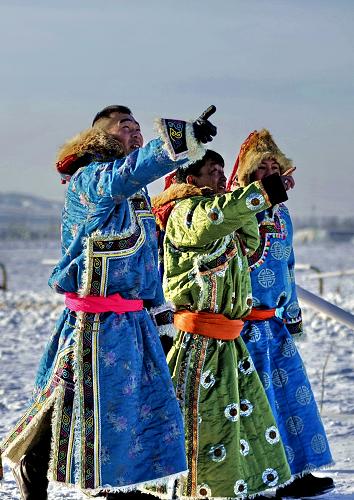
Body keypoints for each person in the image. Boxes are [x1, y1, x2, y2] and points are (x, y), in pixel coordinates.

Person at [0, 104, 217, 499]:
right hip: (95, 322)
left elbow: (145, 259)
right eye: (126, 127)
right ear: (101, 136)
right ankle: (41, 464)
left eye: (138, 128)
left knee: (132, 403)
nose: (136, 134)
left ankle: (116, 482)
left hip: (133, 319)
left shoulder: (134, 193)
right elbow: (125, 174)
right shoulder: (92, 179)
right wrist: (182, 137)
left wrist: (159, 311)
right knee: (92, 401)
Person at [152, 149, 296, 499]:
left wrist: (254, 200)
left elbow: (249, 242)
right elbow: (214, 218)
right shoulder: (185, 212)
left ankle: (238, 485)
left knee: (242, 419)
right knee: (205, 420)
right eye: (212, 171)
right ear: (190, 180)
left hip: (228, 340)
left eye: (221, 170)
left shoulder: (221, 211)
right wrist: (265, 190)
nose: (221, 176)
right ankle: (195, 488)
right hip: (200, 339)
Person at [228, 129, 334, 498]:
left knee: (291, 398)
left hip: (274, 324)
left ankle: (297, 473)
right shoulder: (237, 211)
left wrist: (292, 316)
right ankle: (260, 479)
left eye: (276, 166)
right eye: (264, 167)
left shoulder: (284, 214)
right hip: (242, 327)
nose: (271, 172)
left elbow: (288, 266)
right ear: (248, 174)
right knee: (257, 404)